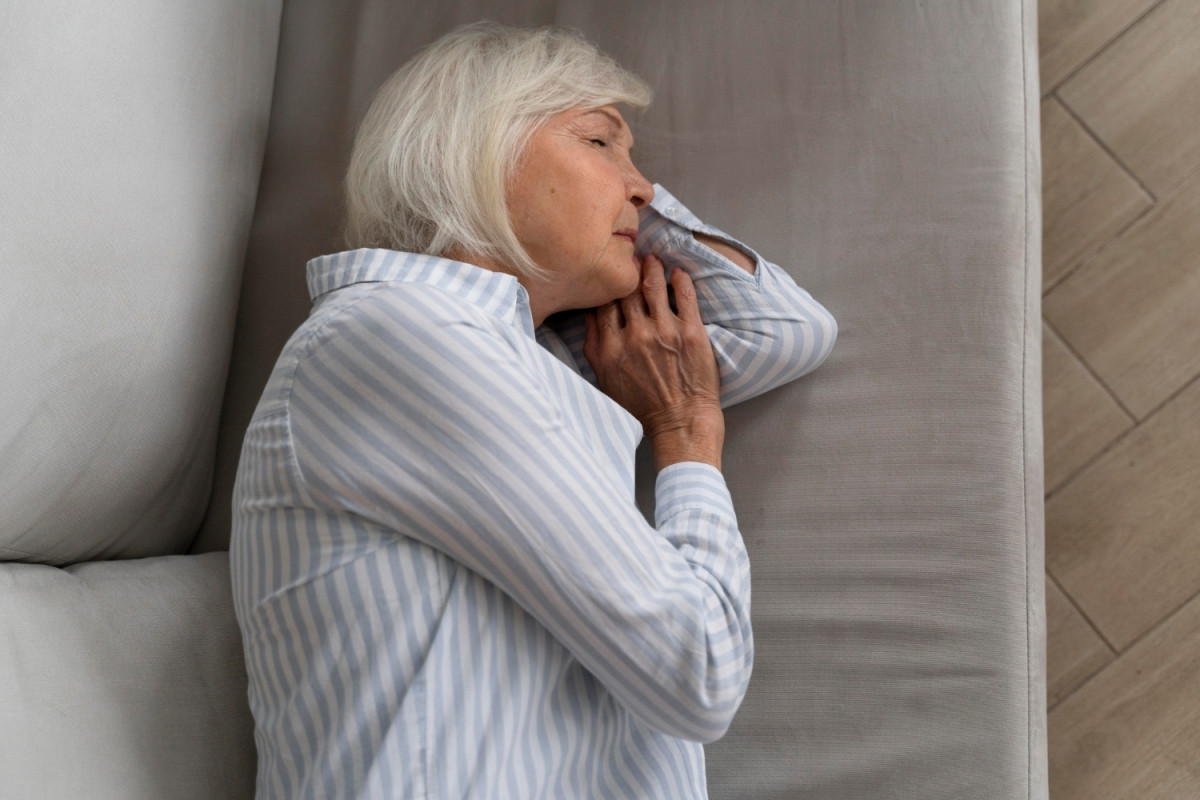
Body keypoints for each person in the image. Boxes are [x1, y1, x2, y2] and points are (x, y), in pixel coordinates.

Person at [230, 21, 836, 800]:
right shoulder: (395, 333)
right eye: (601, 142)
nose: (643, 186)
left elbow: (784, 327)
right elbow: (698, 669)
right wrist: (685, 435)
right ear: (476, 148)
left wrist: (622, 212)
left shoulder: (527, 358)